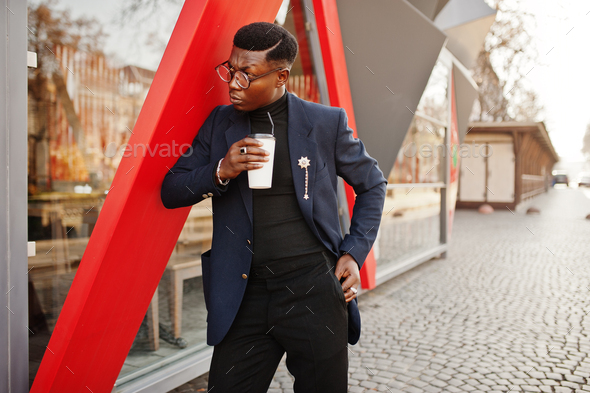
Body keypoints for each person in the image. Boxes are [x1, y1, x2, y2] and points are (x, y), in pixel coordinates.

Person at [161, 22, 386, 393]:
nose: (233, 83)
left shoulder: (326, 122)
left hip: (314, 289)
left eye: (247, 76)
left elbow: (372, 184)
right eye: (230, 70)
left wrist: (354, 251)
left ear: (281, 76)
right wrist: (221, 170)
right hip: (243, 295)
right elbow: (171, 190)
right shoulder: (220, 124)